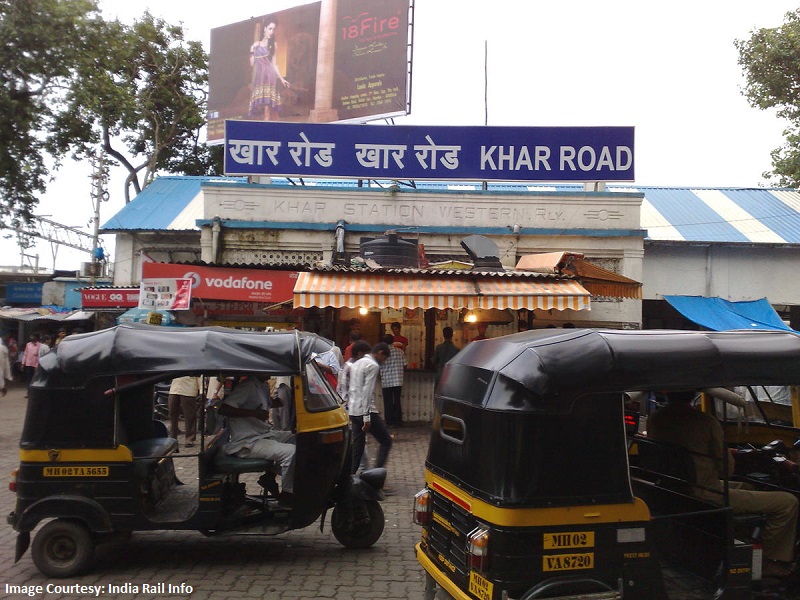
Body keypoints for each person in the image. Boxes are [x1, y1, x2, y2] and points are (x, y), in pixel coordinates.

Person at [647, 390, 799, 578]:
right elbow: (727, 470)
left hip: (676, 488)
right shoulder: (705, 422)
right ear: (694, 393)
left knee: (749, 488)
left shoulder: (655, 419)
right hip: (706, 493)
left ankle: (742, 545)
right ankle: (768, 562)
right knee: (787, 502)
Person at [217, 375, 296, 502]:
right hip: (247, 442)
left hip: (263, 434)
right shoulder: (248, 386)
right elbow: (224, 409)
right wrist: (254, 413)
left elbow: (267, 403)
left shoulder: (263, 385)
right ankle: (288, 494)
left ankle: (269, 478)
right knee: (292, 452)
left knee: (296, 438)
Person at [348, 342, 393, 473]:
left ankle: (350, 475)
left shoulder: (356, 363)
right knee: (386, 441)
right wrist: (367, 417)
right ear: (379, 353)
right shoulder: (372, 365)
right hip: (365, 412)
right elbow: (367, 392)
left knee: (358, 447)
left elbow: (353, 388)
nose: (383, 362)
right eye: (384, 358)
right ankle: (376, 474)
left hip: (354, 410)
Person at [248, 17, 287, 121]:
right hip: (259, 77)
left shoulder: (273, 44)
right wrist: (252, 49)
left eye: (273, 29)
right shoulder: (256, 45)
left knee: (267, 106)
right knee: (261, 107)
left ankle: (266, 128)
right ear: (265, 28)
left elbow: (274, 64)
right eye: (270, 28)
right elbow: (252, 64)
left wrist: (282, 79)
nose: (271, 32)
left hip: (269, 76)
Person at [168, 375, 203, 448]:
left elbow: (200, 377)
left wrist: (201, 391)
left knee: (190, 415)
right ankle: (173, 437)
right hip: (174, 389)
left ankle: (189, 438)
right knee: (172, 413)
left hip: (188, 390)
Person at [380, 334, 406, 427]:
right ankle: (398, 421)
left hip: (386, 380)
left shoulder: (382, 353)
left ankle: (389, 421)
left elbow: (378, 366)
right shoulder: (400, 352)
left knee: (388, 402)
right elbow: (405, 364)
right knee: (397, 400)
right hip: (398, 380)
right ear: (392, 341)